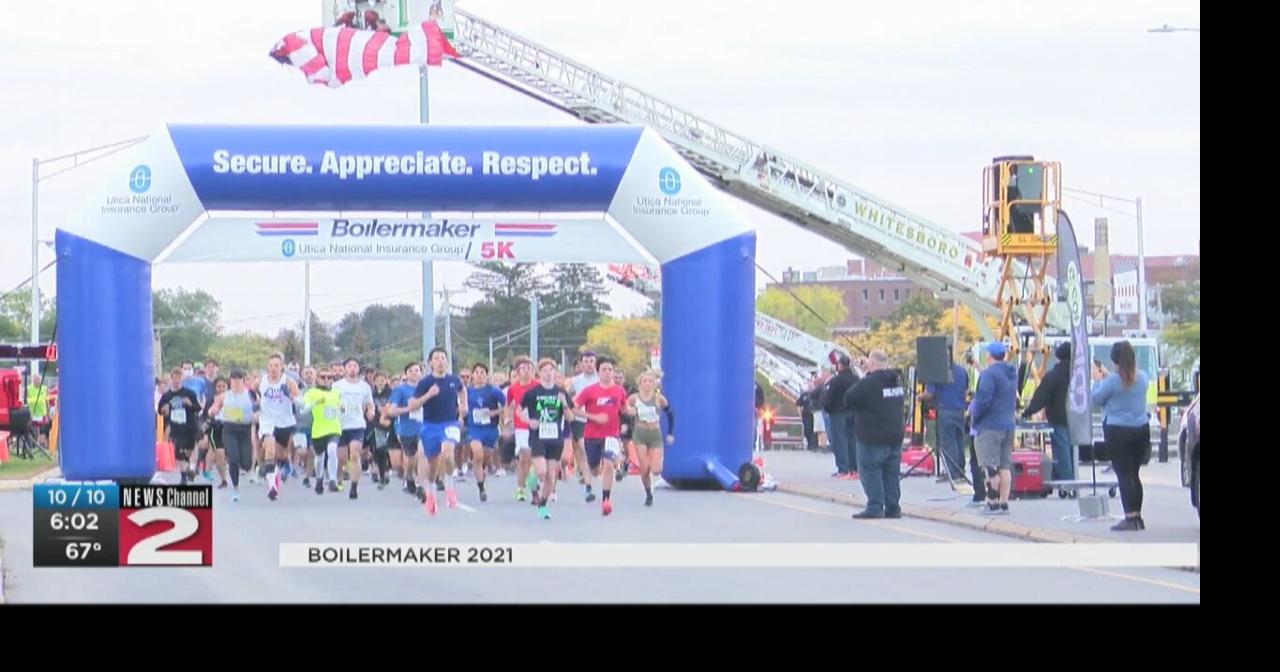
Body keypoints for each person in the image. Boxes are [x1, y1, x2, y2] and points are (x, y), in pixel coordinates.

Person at [1092, 341, 1151, 531]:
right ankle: (1138, 517)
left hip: (1118, 431)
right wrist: (1110, 378)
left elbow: (1097, 399)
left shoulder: (1111, 381)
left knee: (1123, 475)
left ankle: (1129, 517)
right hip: (1141, 430)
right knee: (1134, 473)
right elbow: (1125, 386)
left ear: (1115, 361)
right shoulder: (1143, 377)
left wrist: (1097, 380)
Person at [844, 350, 907, 519]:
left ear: (871, 364)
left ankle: (875, 506)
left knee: (870, 472)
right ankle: (893, 507)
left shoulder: (869, 383)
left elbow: (849, 398)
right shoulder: (896, 381)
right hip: (894, 435)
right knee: (891, 474)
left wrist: (865, 375)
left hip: (872, 436)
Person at [575, 357, 628, 515]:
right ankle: (591, 475)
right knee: (595, 470)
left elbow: (624, 408)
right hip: (592, 435)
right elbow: (574, 409)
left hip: (611, 434)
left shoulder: (619, 390)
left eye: (610, 369)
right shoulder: (590, 391)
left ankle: (606, 500)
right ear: (598, 372)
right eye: (604, 369)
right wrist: (594, 417)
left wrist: (629, 412)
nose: (607, 372)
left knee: (609, 465)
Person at [972, 342, 1018, 514]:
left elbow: (983, 400)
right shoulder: (1011, 373)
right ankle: (1004, 503)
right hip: (1008, 423)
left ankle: (991, 502)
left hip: (990, 425)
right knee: (1004, 466)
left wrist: (974, 414)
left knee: (990, 467)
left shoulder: (989, 375)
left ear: (989, 355)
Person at [1022, 342, 1074, 481]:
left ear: (1058, 357)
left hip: (1059, 419)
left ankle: (1067, 482)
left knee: (1062, 451)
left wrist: (1027, 412)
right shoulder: (1077, 375)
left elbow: (1041, 397)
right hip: (1076, 419)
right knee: (1071, 450)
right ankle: (1065, 477)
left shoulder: (1054, 375)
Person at [626, 370, 675, 507]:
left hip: (655, 434)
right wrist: (630, 411)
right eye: (644, 381)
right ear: (640, 384)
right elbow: (624, 408)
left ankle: (655, 461)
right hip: (640, 434)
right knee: (644, 470)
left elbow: (670, 414)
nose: (647, 384)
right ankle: (648, 493)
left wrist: (670, 433)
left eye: (650, 381)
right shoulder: (634, 398)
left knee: (656, 470)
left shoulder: (659, 398)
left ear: (654, 384)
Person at [258, 353, 301, 501]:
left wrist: (289, 395)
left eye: (276, 365)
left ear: (282, 367)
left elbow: (300, 402)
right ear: (267, 367)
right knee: (269, 449)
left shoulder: (288, 381)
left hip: (285, 422)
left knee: (281, 454)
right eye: (270, 366)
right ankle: (272, 487)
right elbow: (250, 390)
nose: (273, 368)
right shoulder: (261, 380)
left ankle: (285, 462)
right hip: (267, 420)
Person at [920, 353, 970, 480]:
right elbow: (966, 392)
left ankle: (952, 473)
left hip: (945, 410)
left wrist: (919, 397)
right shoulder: (962, 370)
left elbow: (930, 394)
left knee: (948, 442)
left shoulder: (937, 372)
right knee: (959, 441)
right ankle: (960, 470)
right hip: (960, 410)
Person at [207, 370, 254, 501]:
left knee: (246, 463)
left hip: (245, 429)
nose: (236, 383)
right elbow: (215, 407)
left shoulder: (249, 395)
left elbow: (260, 406)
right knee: (233, 458)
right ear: (230, 382)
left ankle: (247, 468)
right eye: (233, 381)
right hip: (229, 429)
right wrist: (212, 411)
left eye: (239, 381)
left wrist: (257, 415)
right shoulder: (224, 396)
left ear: (243, 382)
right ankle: (236, 488)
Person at [334, 358, 375, 500]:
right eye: (349, 366)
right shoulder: (337, 385)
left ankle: (354, 486)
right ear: (344, 369)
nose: (352, 368)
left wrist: (371, 412)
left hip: (357, 425)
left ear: (358, 369)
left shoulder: (364, 387)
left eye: (355, 366)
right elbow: (332, 403)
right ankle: (339, 478)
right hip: (340, 425)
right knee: (341, 458)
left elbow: (370, 404)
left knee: (355, 455)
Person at [465, 363, 504, 503]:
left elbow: (506, 405)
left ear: (487, 376)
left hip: (490, 428)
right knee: (477, 453)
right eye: (477, 372)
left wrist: (494, 412)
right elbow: (461, 405)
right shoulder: (467, 391)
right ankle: (481, 488)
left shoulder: (493, 391)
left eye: (482, 372)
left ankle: (481, 472)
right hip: (474, 428)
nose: (479, 375)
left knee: (485, 459)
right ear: (472, 375)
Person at [158, 367, 202, 484]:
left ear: (182, 379)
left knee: (189, 449)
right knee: (178, 451)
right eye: (175, 378)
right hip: (176, 427)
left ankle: (188, 463)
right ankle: (183, 477)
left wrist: (190, 404)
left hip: (189, 426)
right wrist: (164, 410)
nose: (177, 380)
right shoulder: (166, 396)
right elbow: (160, 410)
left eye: (179, 378)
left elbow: (198, 408)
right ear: (171, 379)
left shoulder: (189, 393)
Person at [388, 363, 425, 496]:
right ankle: (409, 477)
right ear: (406, 374)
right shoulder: (400, 390)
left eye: (417, 370)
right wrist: (408, 409)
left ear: (421, 373)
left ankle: (421, 485)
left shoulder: (426, 388)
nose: (414, 373)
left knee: (422, 454)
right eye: (411, 371)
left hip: (424, 428)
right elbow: (391, 411)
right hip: (406, 429)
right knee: (411, 459)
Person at [822, 355, 860, 479]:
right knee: (852, 441)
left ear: (840, 366)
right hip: (853, 413)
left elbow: (830, 398)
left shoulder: (836, 381)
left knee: (840, 441)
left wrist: (827, 408)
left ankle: (843, 469)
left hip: (837, 413)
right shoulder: (856, 379)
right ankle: (854, 469)